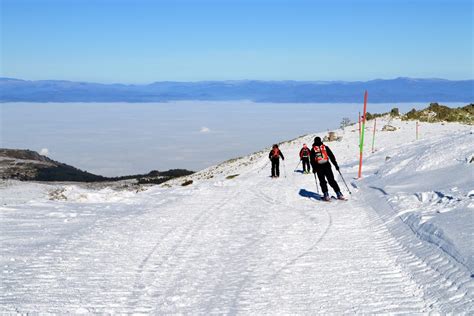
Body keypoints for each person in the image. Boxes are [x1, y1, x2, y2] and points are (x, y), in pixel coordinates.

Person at [310, 137, 345, 201]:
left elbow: (312, 160)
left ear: (314, 142)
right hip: (327, 166)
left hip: (318, 167)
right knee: (331, 180)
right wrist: (336, 165)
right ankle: (339, 194)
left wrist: (314, 168)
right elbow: (332, 157)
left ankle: (326, 195)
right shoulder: (325, 147)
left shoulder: (313, 149)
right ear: (321, 141)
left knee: (322, 181)